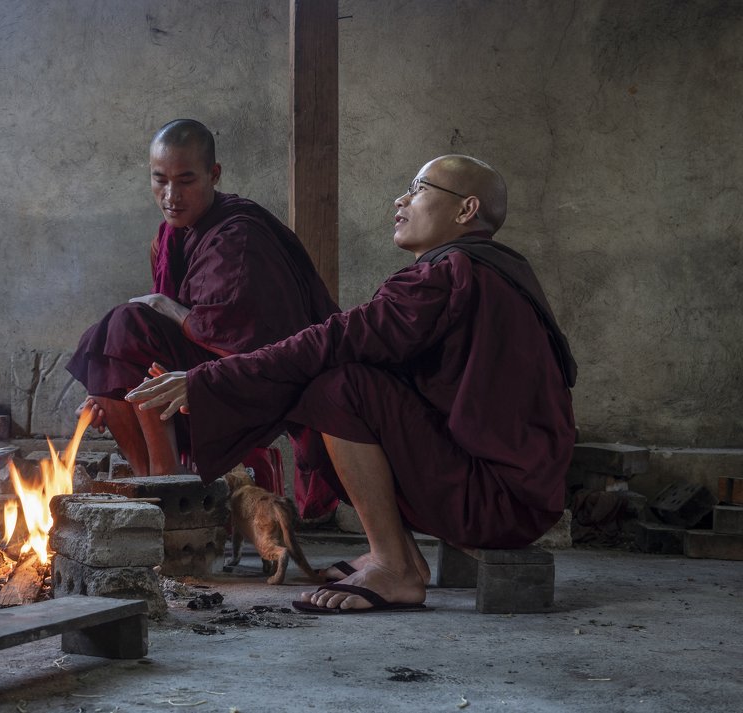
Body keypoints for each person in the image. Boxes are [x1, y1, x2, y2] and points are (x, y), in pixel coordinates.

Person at [126, 154, 577, 613]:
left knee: (336, 389)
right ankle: (402, 557)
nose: (401, 199)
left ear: (466, 211)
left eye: (419, 190)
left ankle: (394, 568)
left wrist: (212, 379)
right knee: (350, 380)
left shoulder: (447, 274)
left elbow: (334, 340)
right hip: (518, 498)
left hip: (496, 504)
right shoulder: (488, 270)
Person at [66, 119, 339, 483]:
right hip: (194, 370)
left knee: (127, 325)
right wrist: (107, 392)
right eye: (160, 179)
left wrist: (164, 305)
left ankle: (166, 477)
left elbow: (245, 340)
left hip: (252, 379)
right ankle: (152, 478)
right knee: (109, 347)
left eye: (186, 180)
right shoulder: (167, 237)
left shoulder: (239, 236)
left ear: (214, 174)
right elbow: (157, 343)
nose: (170, 196)